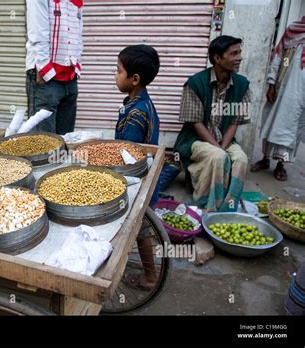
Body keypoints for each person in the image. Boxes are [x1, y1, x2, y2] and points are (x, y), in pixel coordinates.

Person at [173, 35, 250, 212]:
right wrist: (218, 148)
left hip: (225, 139)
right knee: (218, 157)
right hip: (195, 139)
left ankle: (228, 208)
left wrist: (223, 145)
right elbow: (196, 123)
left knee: (241, 159)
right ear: (217, 58)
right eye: (234, 53)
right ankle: (209, 207)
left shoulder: (242, 85)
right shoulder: (195, 83)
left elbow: (235, 122)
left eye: (240, 52)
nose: (240, 57)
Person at [114, 44, 161, 291]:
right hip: (144, 173)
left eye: (118, 70)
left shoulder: (136, 114)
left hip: (136, 180)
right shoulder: (139, 103)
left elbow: (127, 155)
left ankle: (150, 276)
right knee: (142, 226)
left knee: (140, 227)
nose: (115, 74)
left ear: (134, 79)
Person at [251, 17, 305, 181]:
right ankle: (265, 159)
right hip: (284, 88)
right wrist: (272, 83)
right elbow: (280, 58)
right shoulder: (293, 31)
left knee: (293, 129)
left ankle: (281, 165)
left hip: (301, 95)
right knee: (271, 122)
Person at [25, 0, 83, 135]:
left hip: (70, 76)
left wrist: (76, 65)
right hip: (46, 77)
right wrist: (43, 68)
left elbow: (78, 31)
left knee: (65, 139)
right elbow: (38, 30)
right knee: (43, 143)